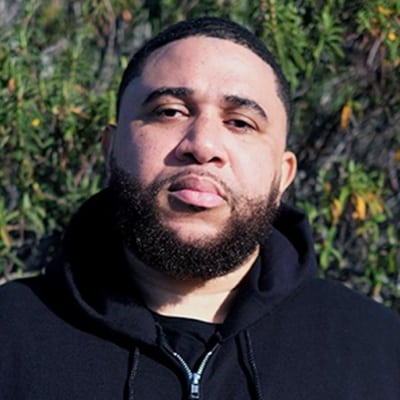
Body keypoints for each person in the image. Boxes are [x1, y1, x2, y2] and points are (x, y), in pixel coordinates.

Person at [1, 16, 399, 400]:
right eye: (170, 111)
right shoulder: (11, 334)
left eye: (240, 122)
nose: (203, 145)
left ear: (283, 175)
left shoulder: (379, 352)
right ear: (111, 149)